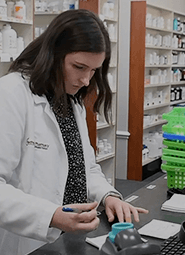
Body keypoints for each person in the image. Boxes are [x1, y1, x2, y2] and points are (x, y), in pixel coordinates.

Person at [0, 9, 148, 255]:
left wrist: (107, 196)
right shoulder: (11, 94)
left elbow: (85, 167)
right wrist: (51, 216)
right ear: (54, 54)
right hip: (28, 243)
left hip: (70, 238)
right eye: (79, 67)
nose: (86, 80)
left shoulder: (69, 100)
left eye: (93, 70)